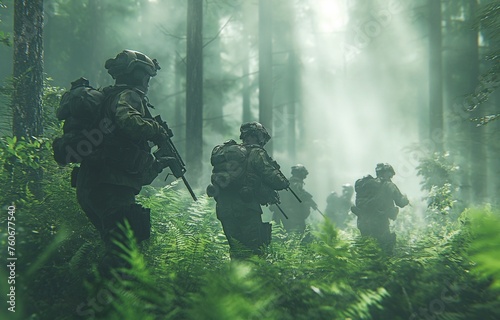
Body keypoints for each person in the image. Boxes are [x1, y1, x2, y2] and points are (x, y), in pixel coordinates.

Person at [75, 50, 171, 270]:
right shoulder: (130, 96)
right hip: (112, 188)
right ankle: (106, 299)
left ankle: (94, 294)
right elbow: (128, 122)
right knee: (123, 255)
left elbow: (133, 169)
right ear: (135, 74)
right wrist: (156, 129)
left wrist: (157, 165)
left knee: (116, 247)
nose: (148, 81)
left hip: (92, 184)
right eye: (146, 75)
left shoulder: (105, 97)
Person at [208, 122, 289, 259]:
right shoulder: (256, 153)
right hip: (246, 208)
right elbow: (276, 180)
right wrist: (284, 181)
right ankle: (254, 278)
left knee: (236, 249)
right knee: (254, 250)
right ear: (257, 136)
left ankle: (235, 278)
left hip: (224, 209)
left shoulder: (228, 153)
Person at [351, 163, 409, 254]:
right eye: (390, 174)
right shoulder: (388, 185)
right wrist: (405, 199)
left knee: (366, 249)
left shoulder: (365, 184)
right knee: (384, 250)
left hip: (363, 222)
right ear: (386, 173)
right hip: (379, 222)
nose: (391, 177)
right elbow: (400, 202)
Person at [272, 164, 317, 234]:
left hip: (283, 212)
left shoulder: (288, 182)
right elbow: (299, 196)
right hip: (290, 215)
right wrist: (309, 202)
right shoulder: (296, 183)